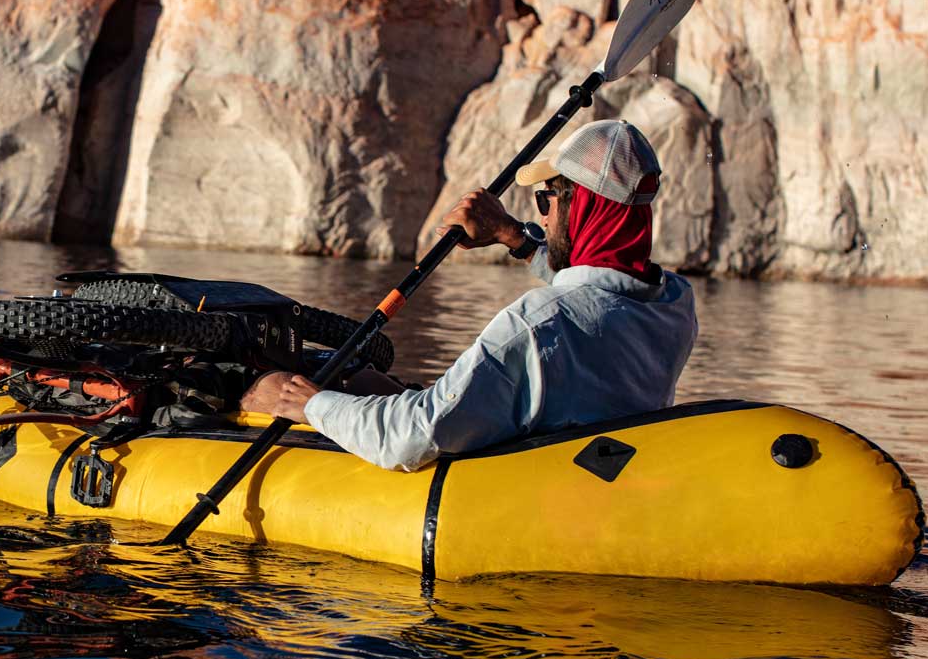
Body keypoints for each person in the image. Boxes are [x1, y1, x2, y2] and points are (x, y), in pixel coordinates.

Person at [240, 119, 697, 471]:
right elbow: (597, 290)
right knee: (362, 381)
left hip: (514, 480)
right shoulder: (674, 303)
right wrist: (512, 235)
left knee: (306, 388)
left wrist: (307, 404)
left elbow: (411, 438)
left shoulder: (538, 322)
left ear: (580, 205)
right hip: (593, 464)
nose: (544, 213)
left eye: (546, 200)